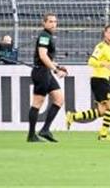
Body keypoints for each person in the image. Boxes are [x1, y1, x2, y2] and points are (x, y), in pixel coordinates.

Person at [66, 24, 110, 141]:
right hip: (99, 80)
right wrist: (104, 64)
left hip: (103, 79)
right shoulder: (101, 47)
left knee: (102, 111)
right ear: (105, 33)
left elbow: (108, 66)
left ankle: (73, 116)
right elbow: (91, 61)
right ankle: (103, 134)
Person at [27, 13, 67, 143]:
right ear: (44, 23)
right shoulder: (44, 36)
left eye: (55, 21)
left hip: (46, 72)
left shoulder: (48, 36)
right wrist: (55, 70)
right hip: (41, 73)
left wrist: (58, 66)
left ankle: (45, 130)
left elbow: (47, 58)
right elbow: (43, 56)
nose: (53, 24)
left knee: (59, 99)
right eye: (50, 21)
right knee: (37, 103)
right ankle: (31, 135)